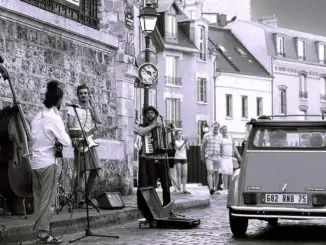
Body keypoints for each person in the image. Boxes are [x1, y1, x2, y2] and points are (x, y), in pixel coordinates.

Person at [31, 80, 71, 244]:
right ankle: (44, 233)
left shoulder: (36, 117)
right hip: (48, 162)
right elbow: (66, 141)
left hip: (34, 163)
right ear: (59, 100)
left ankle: (40, 231)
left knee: (38, 199)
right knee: (47, 200)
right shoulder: (54, 118)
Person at [67, 84, 102, 208]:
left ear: (88, 95)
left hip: (90, 142)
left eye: (85, 93)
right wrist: (77, 138)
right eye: (81, 93)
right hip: (80, 142)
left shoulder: (90, 109)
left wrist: (92, 106)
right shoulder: (73, 109)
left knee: (95, 169)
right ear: (78, 95)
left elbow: (99, 121)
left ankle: (87, 197)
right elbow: (70, 125)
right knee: (81, 171)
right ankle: (78, 199)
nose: (83, 95)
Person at [135, 106, 171, 206]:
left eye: (152, 113)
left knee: (166, 184)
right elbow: (141, 132)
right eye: (148, 113)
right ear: (146, 116)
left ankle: (167, 206)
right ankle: (153, 206)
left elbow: (168, 137)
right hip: (150, 159)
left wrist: (169, 130)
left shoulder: (161, 126)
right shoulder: (142, 126)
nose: (150, 114)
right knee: (151, 184)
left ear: (155, 115)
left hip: (162, 158)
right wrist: (153, 126)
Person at [219, 125, 242, 194]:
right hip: (223, 157)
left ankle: (229, 188)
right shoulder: (220, 138)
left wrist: (238, 155)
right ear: (220, 131)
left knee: (230, 173)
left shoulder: (230, 136)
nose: (224, 131)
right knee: (224, 172)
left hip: (229, 157)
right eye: (223, 130)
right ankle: (225, 188)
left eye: (225, 129)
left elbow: (234, 147)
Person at [200, 122, 221, 195]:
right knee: (210, 172)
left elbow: (221, 147)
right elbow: (202, 146)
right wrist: (202, 155)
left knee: (217, 173)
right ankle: (211, 189)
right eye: (214, 127)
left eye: (217, 127)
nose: (215, 129)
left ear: (218, 128)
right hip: (209, 156)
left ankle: (215, 188)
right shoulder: (207, 135)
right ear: (212, 127)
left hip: (218, 157)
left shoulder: (220, 136)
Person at [174, 130, 190, 194]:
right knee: (179, 174)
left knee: (185, 174)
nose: (180, 135)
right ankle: (179, 188)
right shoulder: (175, 142)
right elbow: (179, 148)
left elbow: (188, 148)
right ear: (176, 135)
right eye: (178, 134)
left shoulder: (184, 141)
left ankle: (184, 188)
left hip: (184, 158)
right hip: (178, 158)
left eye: (181, 134)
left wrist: (186, 143)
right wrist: (184, 143)